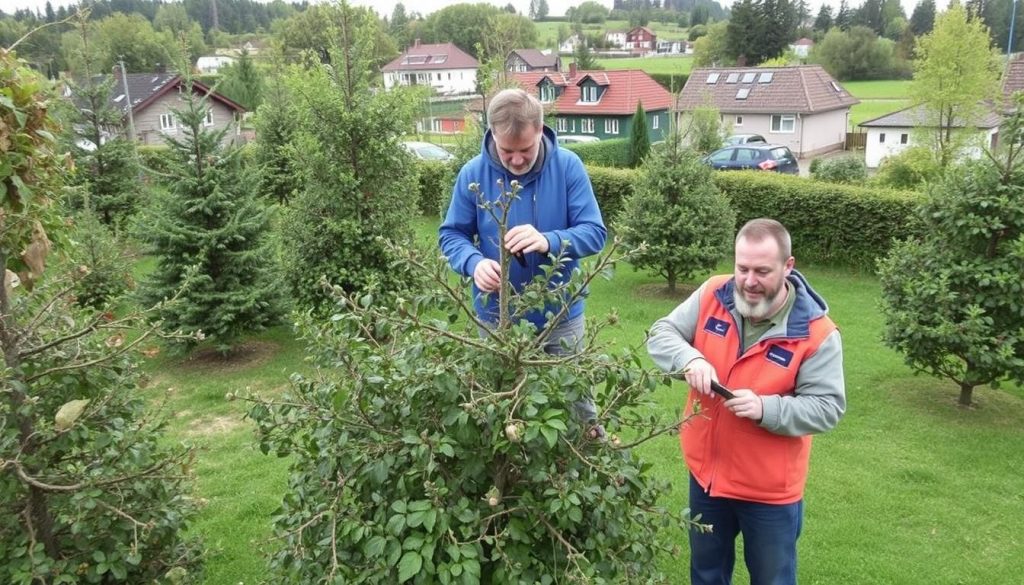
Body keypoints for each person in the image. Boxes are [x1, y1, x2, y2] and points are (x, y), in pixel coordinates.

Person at [647, 218, 845, 585]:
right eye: (742, 268)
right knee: (706, 575)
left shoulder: (817, 333)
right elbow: (662, 332)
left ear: (788, 267)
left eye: (762, 271)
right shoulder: (712, 294)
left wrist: (765, 408)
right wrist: (689, 358)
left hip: (768, 492)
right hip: (706, 479)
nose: (749, 281)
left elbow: (827, 407)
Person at [438, 88, 607, 428]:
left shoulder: (568, 167)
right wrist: (474, 263)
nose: (516, 160)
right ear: (492, 136)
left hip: (560, 315)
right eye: (507, 151)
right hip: (496, 317)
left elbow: (594, 233)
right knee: (500, 408)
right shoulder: (472, 175)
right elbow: (451, 235)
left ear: (541, 131)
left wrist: (549, 240)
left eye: (525, 150)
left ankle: (587, 467)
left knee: (577, 408)